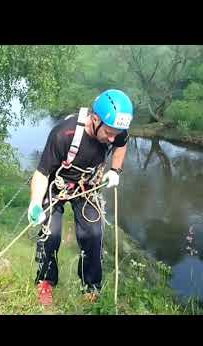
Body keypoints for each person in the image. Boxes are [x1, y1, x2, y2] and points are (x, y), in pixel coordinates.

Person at [27, 89, 134, 306]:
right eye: (109, 133)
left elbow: (121, 146)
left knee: (94, 233)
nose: (113, 138)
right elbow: (42, 173)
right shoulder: (63, 135)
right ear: (95, 119)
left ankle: (90, 286)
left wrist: (115, 170)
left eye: (117, 133)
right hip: (55, 186)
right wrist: (35, 204)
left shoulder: (117, 131)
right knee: (51, 235)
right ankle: (46, 282)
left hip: (86, 185)